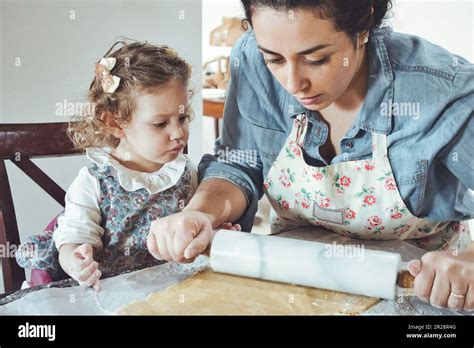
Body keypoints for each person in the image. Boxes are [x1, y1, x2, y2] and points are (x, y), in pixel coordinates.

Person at [147, 1, 473, 311]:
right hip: (291, 279)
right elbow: (240, 163)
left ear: (362, 27)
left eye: (316, 59)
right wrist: (201, 212)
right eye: (274, 59)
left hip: (417, 291)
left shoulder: (440, 89)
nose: (293, 83)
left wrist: (468, 264)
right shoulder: (250, 60)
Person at [16, 41, 239, 290]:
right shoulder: (95, 181)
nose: (178, 133)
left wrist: (211, 231)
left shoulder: (186, 172)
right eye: (160, 123)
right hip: (112, 296)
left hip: (173, 294)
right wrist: (75, 261)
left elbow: (194, 227)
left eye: (183, 117)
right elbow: (73, 240)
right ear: (114, 123)